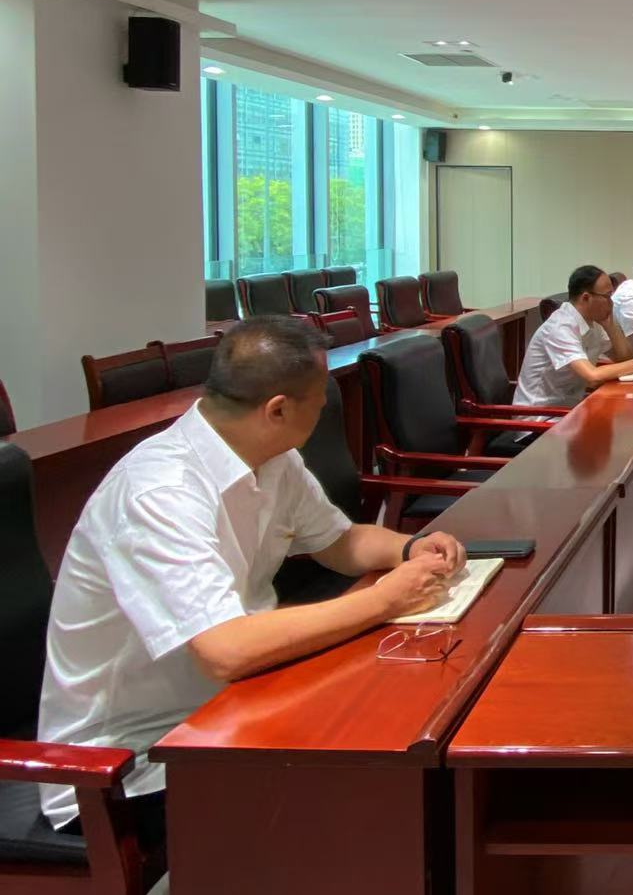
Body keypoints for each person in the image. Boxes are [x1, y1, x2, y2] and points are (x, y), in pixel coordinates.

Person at [37, 317, 466, 845]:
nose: (323, 412)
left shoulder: (272, 458)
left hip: (236, 707)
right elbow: (226, 650)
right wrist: (383, 601)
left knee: (401, 738)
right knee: (373, 802)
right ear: (278, 410)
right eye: (319, 403)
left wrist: (407, 548)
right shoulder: (160, 492)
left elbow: (338, 541)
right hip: (130, 767)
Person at [515, 264, 633, 406]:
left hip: (571, 408)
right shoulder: (561, 327)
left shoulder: (594, 322)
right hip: (540, 414)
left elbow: (624, 358)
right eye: (607, 296)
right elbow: (592, 376)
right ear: (586, 298)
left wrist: (611, 327)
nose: (611, 303)